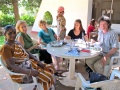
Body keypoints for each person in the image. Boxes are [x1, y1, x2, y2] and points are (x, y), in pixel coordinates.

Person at [0, 25, 55, 90]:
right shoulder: (6, 48)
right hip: (20, 73)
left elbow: (28, 53)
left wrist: (38, 61)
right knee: (47, 76)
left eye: (14, 32)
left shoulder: (16, 42)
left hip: (29, 65)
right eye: (10, 33)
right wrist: (30, 72)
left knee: (50, 68)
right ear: (5, 34)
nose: (13, 35)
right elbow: (13, 66)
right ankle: (43, 87)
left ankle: (41, 87)